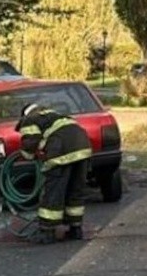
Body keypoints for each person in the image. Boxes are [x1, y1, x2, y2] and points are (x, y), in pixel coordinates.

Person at [16, 104, 93, 244]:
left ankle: (47, 232)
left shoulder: (30, 119)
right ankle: (76, 229)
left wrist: (27, 155)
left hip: (61, 152)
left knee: (54, 191)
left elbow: (30, 142)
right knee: (75, 190)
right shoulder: (57, 116)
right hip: (83, 149)